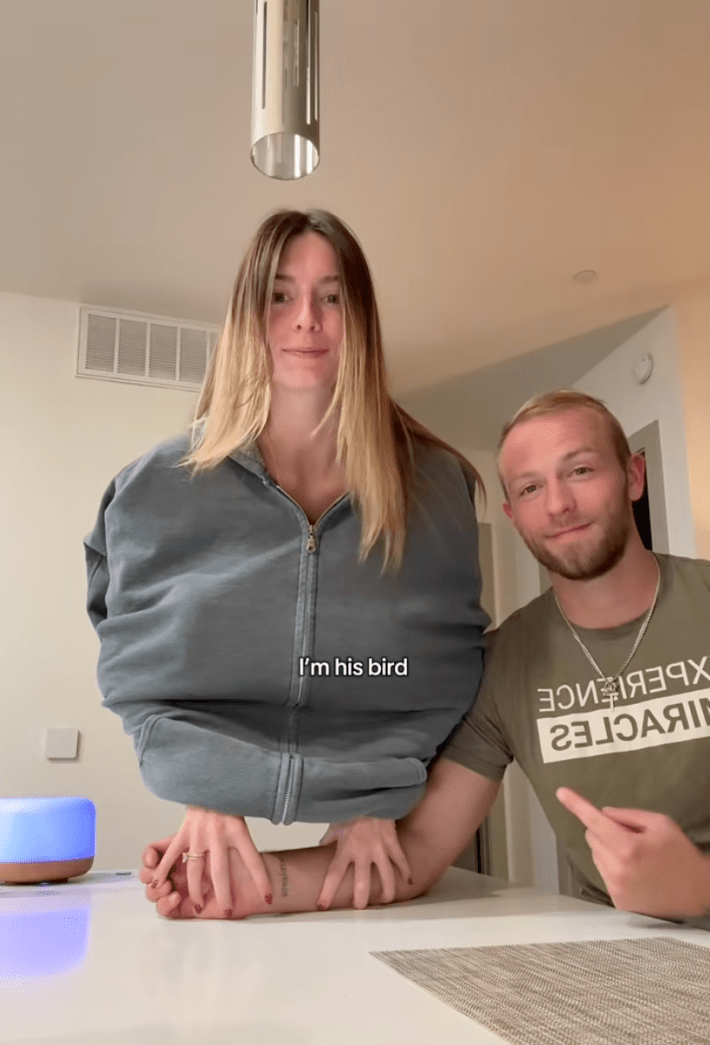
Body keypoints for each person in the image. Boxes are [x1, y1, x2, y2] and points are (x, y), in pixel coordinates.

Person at [141, 389, 710, 926]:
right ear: (512, 516)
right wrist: (246, 883)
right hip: (631, 960)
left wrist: (699, 886)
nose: (559, 504)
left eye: (580, 470)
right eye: (531, 488)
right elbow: (415, 852)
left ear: (632, 475)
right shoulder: (504, 662)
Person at [84, 208, 490, 915]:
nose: (306, 319)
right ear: (248, 313)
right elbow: (136, 658)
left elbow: (441, 665)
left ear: (360, 319)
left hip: (386, 880)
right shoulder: (151, 488)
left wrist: (375, 797)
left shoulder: (438, 488)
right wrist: (207, 784)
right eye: (280, 294)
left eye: (332, 297)